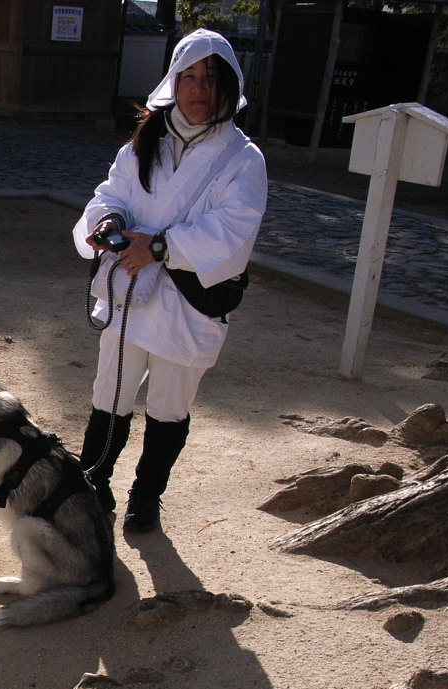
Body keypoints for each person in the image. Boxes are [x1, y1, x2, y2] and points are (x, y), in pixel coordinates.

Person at [74, 28, 267, 534]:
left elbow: (233, 229)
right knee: (109, 391)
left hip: (188, 301)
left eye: (209, 79)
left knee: (169, 402)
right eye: (189, 77)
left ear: (227, 85)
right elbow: (111, 193)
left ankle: (146, 495)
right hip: (131, 292)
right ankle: (92, 481)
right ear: (174, 83)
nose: (198, 89)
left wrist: (159, 247)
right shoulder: (144, 142)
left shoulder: (243, 159)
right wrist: (109, 222)